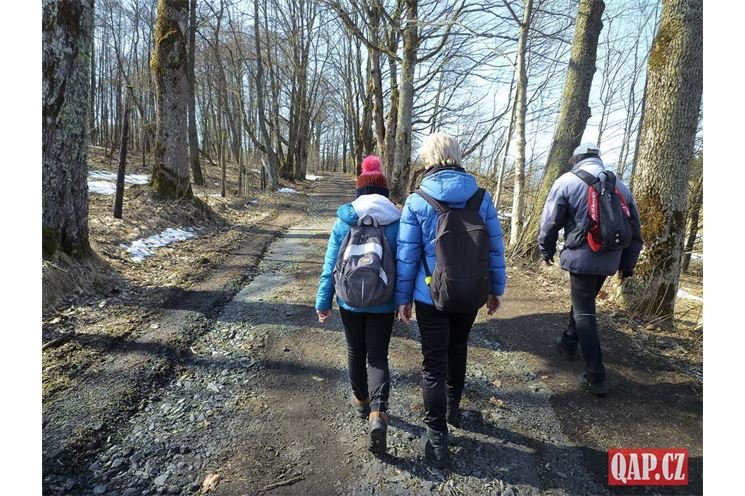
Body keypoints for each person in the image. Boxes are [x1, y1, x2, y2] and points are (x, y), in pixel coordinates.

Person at [395, 132, 507, 468]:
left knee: (434, 363)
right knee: (458, 348)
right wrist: (494, 290)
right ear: (457, 156)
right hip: (470, 291)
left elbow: (406, 256)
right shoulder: (481, 198)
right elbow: (494, 249)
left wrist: (403, 299)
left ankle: (437, 438)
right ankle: (454, 407)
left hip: (430, 295)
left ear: (428, 158)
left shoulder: (417, 200)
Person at [538, 143, 643, 396]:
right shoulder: (620, 185)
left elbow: (551, 220)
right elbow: (635, 229)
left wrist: (546, 249)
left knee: (585, 311)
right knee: (583, 301)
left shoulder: (567, 181)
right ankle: (568, 341)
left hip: (582, 255)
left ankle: (595, 375)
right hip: (610, 258)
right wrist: (627, 265)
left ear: (576, 159)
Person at [315, 155, 400, 455]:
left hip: (349, 300)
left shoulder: (344, 220)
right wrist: (403, 302)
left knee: (355, 351)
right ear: (385, 192)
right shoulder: (396, 220)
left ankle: (362, 401)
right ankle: (379, 412)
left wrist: (323, 301)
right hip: (383, 300)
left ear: (359, 189)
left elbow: (329, 266)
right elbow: (403, 266)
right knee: (377, 356)